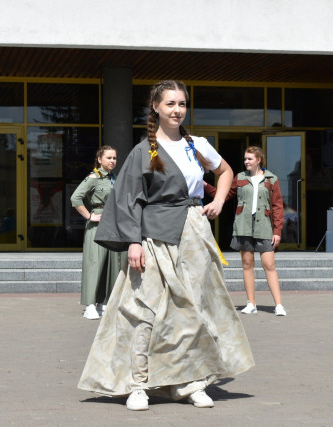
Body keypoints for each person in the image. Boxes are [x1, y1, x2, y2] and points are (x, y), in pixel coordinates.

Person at [77, 80, 254, 411]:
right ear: (156, 107)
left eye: (182, 104)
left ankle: (191, 382)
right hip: (154, 236)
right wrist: (133, 242)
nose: (177, 110)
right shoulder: (144, 150)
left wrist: (218, 200)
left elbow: (226, 171)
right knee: (144, 310)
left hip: (195, 234)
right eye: (170, 103)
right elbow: (129, 199)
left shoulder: (197, 144)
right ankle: (138, 384)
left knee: (195, 309)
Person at [205, 146, 286, 316]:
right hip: (244, 225)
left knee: (269, 264)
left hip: (265, 226)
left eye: (249, 159)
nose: (246, 162)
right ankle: (251, 303)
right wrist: (204, 185)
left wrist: (277, 231)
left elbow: (277, 206)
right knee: (247, 264)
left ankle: (278, 305)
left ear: (259, 160)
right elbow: (224, 195)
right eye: (245, 159)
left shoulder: (271, 179)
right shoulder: (240, 177)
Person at [70, 146, 125, 320]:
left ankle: (104, 302)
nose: (112, 161)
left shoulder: (115, 178)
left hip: (113, 223)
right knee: (95, 263)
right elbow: (75, 198)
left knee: (110, 264)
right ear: (99, 159)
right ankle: (89, 305)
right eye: (109, 158)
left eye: (114, 158)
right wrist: (89, 216)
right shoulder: (93, 178)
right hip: (98, 223)